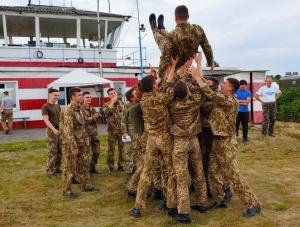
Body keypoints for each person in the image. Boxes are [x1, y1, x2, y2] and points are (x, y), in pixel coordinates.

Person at [191, 52, 261, 218]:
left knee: (232, 174)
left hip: (226, 143)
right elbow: (208, 90)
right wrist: (198, 66)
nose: (221, 85)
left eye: (224, 84)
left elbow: (209, 92)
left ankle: (253, 204)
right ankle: (220, 198)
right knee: (213, 172)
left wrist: (197, 76)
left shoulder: (229, 101)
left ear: (230, 88)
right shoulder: (222, 97)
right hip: (217, 141)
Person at [129, 62, 177, 219]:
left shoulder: (143, 99)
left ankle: (138, 207)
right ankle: (171, 204)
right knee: (170, 171)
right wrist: (174, 68)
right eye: (156, 83)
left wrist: (157, 74)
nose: (158, 84)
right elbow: (169, 87)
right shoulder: (160, 98)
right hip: (164, 138)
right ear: (154, 87)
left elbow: (160, 84)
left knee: (146, 173)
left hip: (151, 139)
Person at [167, 55, 207, 224]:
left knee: (181, 177)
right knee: (198, 173)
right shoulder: (195, 101)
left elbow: (169, 87)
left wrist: (179, 70)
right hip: (194, 141)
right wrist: (196, 65)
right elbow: (199, 83)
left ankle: (184, 212)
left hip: (180, 143)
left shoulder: (171, 104)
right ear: (188, 92)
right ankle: (202, 203)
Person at [149, 5, 214, 78]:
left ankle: (154, 29)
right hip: (186, 60)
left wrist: (161, 73)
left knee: (161, 40)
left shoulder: (173, 34)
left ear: (175, 18)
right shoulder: (198, 29)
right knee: (169, 38)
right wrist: (210, 61)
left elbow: (165, 55)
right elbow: (206, 46)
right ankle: (162, 28)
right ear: (188, 17)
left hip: (175, 61)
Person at [60, 87, 99, 198]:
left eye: (82, 95)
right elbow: (68, 131)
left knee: (84, 165)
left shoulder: (80, 110)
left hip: (82, 143)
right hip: (71, 144)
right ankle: (66, 190)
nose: (81, 97)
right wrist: (73, 146)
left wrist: (86, 139)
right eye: (79, 95)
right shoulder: (68, 110)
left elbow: (83, 127)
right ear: (72, 97)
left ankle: (87, 186)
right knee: (69, 167)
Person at [102, 88, 125, 173]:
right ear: (109, 96)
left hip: (122, 131)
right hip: (112, 131)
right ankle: (111, 166)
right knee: (111, 149)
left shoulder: (122, 104)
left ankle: (121, 165)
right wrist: (112, 102)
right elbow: (106, 112)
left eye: (114, 93)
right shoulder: (106, 105)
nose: (113, 95)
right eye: (111, 94)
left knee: (122, 149)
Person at [41, 89, 62, 178]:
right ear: (50, 95)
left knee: (59, 151)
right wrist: (53, 129)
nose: (57, 97)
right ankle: (50, 170)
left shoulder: (57, 106)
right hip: (51, 131)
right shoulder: (45, 106)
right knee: (52, 151)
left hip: (59, 130)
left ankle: (57, 168)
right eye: (55, 95)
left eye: (58, 95)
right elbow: (46, 119)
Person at [81, 91, 101, 174]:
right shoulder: (80, 109)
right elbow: (84, 120)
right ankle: (85, 171)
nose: (89, 99)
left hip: (94, 134)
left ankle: (92, 167)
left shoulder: (92, 108)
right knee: (86, 154)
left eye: (90, 97)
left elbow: (98, 116)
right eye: (87, 97)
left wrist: (92, 117)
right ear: (82, 99)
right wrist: (94, 117)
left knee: (97, 152)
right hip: (86, 134)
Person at [121, 87, 137, 180]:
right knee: (129, 152)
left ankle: (136, 169)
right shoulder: (127, 105)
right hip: (130, 133)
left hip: (139, 132)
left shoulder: (140, 103)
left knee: (137, 152)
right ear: (131, 98)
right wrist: (125, 132)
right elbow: (123, 120)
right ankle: (129, 172)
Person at [235, 80, 252, 144]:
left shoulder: (248, 92)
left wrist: (238, 101)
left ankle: (245, 138)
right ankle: (234, 137)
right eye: (242, 84)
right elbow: (234, 101)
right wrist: (243, 102)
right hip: (236, 111)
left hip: (245, 111)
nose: (243, 86)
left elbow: (247, 102)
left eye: (244, 84)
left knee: (245, 125)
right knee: (236, 125)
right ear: (239, 85)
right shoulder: (235, 92)